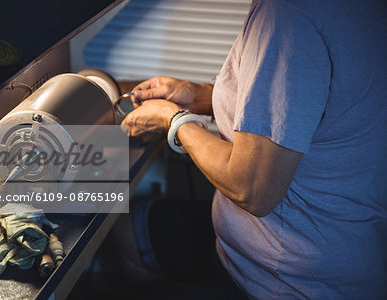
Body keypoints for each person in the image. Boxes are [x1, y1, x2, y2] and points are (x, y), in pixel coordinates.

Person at [121, 0, 387, 298]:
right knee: (132, 231)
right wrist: (201, 96)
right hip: (341, 250)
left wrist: (173, 121)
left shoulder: (290, 15)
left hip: (290, 281)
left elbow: (252, 189)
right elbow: (303, 102)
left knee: (125, 239)